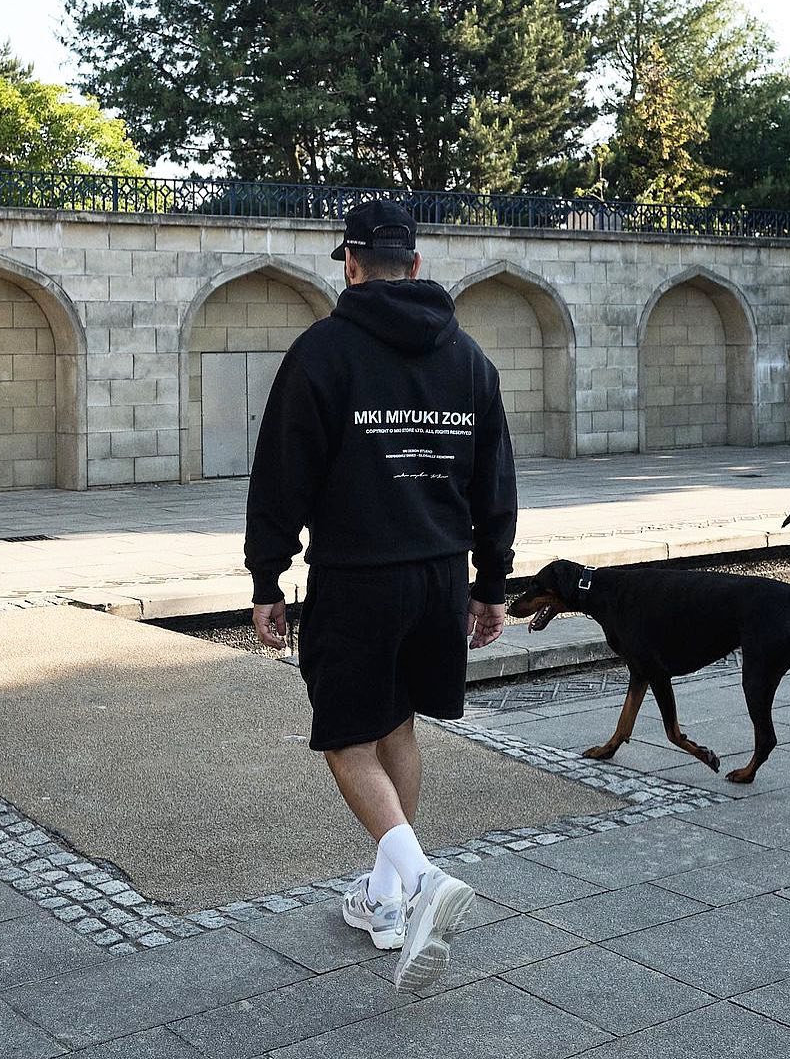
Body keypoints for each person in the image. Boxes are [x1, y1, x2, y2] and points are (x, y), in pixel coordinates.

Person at [244, 199, 517, 991]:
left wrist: (267, 576)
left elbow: (283, 473)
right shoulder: (469, 358)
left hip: (360, 576)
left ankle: (423, 881)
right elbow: (495, 482)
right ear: (417, 265)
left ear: (352, 265)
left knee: (344, 738)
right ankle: (387, 899)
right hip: (440, 576)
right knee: (396, 724)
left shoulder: (322, 350)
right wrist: (491, 583)